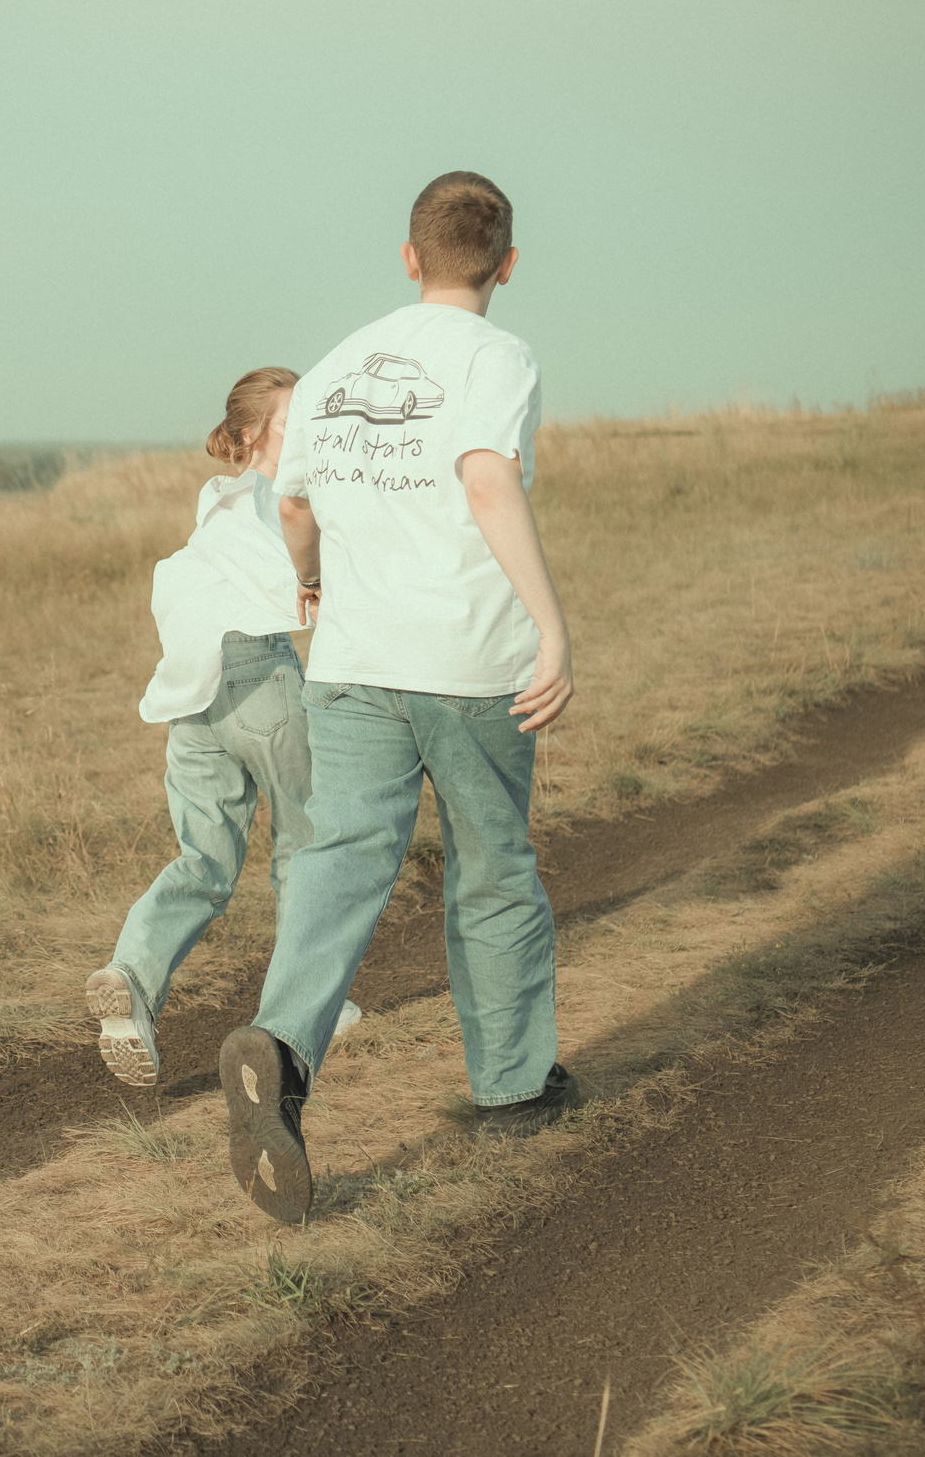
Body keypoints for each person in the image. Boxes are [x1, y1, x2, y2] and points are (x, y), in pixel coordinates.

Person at [219, 171, 577, 1225]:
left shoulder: (334, 365)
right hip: (468, 664)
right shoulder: (499, 356)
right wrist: (550, 626)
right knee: (492, 867)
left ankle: (281, 1053)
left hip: (352, 661)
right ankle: (513, 1088)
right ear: (506, 262)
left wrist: (313, 579)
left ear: (409, 258)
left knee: (338, 865)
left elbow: (289, 501)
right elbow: (483, 477)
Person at [85, 367, 361, 1086]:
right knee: (307, 844)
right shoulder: (288, 492)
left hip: (193, 692)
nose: (306, 430)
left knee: (203, 860)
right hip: (260, 677)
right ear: (250, 436)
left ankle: (132, 977)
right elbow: (319, 578)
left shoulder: (217, 502)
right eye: (291, 419)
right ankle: (310, 1007)